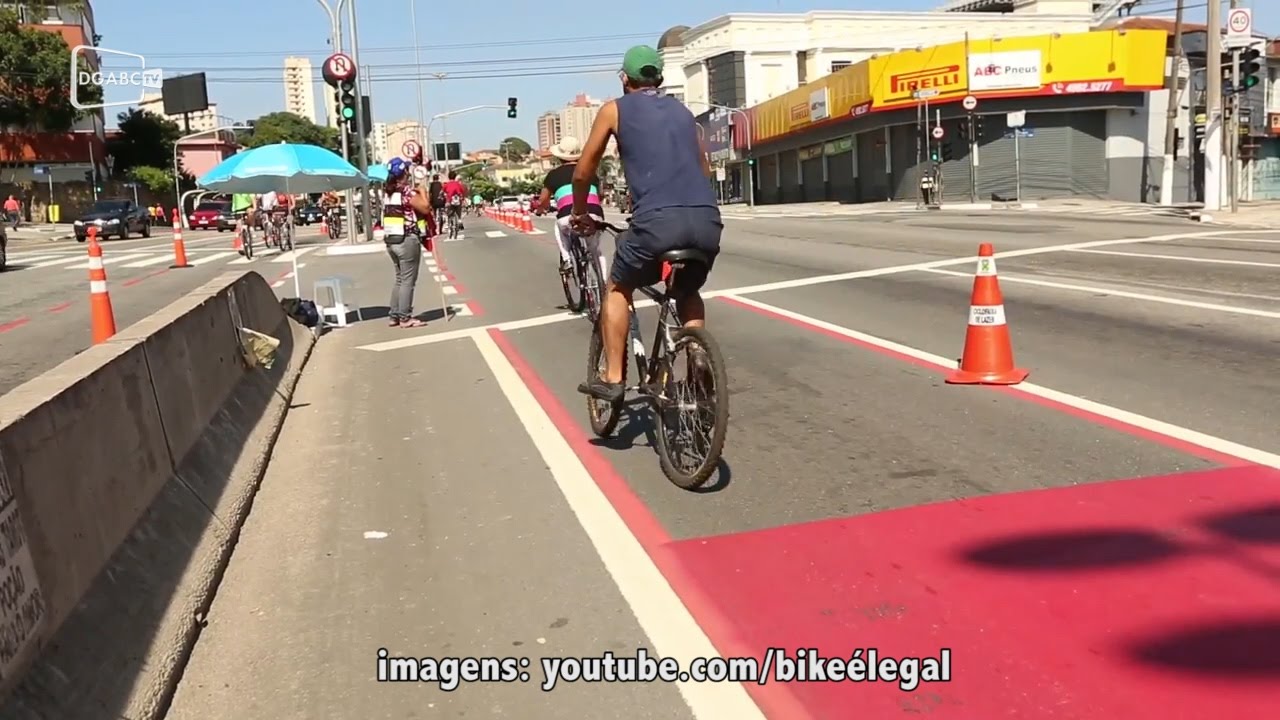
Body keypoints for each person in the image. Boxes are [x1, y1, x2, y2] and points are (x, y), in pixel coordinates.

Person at [570, 45, 721, 403]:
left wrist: (581, 212)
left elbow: (583, 171)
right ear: (660, 79)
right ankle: (697, 351)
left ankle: (613, 378)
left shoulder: (614, 109)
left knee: (618, 288)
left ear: (625, 79)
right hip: (706, 220)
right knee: (687, 289)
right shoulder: (684, 113)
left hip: (656, 223)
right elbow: (705, 170)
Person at [538, 136, 606, 287]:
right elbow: (600, 194)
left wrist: (541, 208)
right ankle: (604, 286)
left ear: (560, 156)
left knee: (559, 227)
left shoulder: (553, 175)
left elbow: (543, 200)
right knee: (596, 251)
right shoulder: (590, 171)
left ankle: (567, 259)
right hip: (594, 214)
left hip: (567, 215)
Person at [381, 157, 436, 328]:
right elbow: (425, 208)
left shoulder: (388, 192)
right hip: (407, 239)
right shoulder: (406, 192)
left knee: (399, 279)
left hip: (391, 241)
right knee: (407, 281)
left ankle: (394, 315)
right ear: (404, 173)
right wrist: (423, 191)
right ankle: (405, 317)